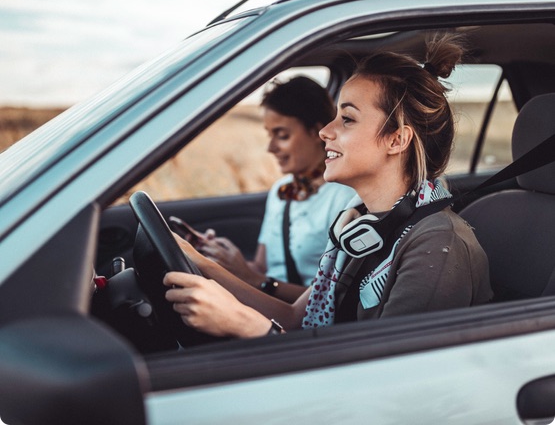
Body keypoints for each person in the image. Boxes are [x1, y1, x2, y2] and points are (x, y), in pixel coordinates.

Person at [163, 33, 493, 338]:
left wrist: (245, 324)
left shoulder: (437, 243)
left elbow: (381, 381)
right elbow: (293, 319)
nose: (325, 132)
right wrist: (200, 262)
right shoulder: (360, 225)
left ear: (397, 139)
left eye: (346, 119)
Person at [195, 76, 354, 303]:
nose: (271, 148)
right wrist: (220, 259)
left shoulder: (345, 197)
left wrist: (255, 280)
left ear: (317, 131)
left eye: (282, 135)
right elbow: (261, 266)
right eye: (270, 135)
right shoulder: (282, 189)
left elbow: (335, 299)